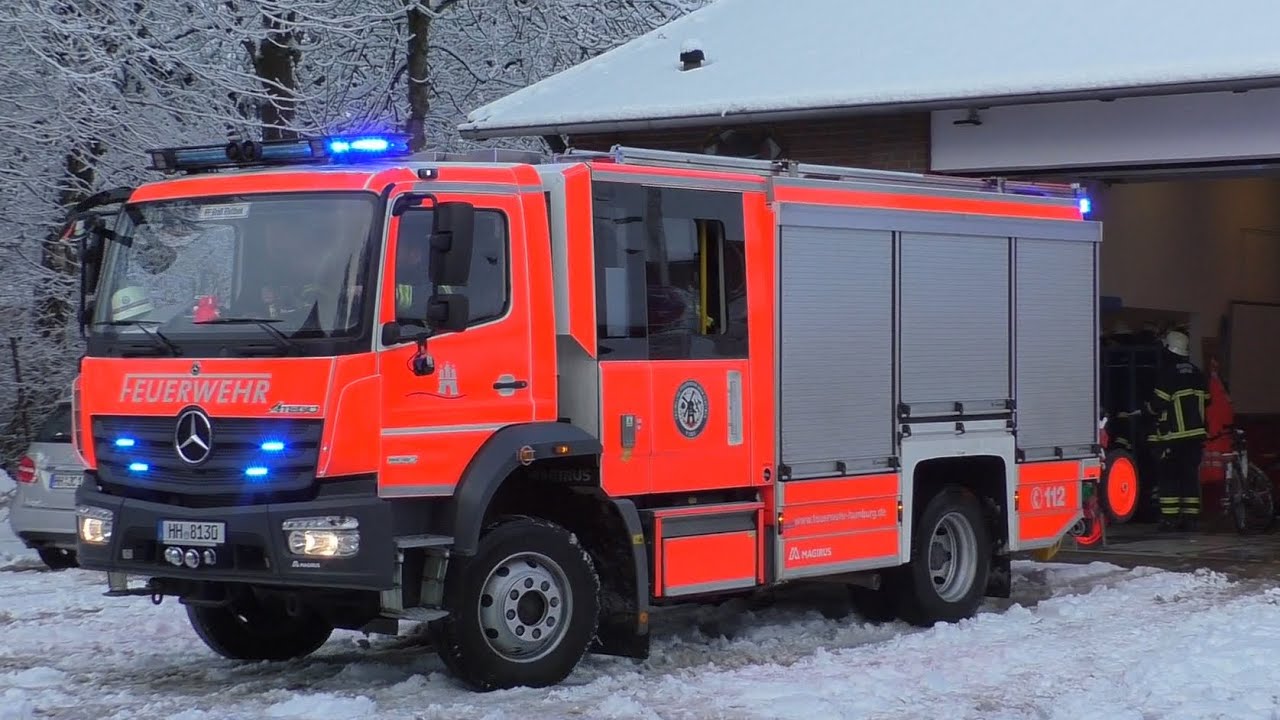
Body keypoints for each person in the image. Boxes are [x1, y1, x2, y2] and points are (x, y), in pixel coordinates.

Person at [1144, 329, 1210, 531]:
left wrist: (1146, 408)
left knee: (1169, 477)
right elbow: (1208, 400)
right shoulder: (1197, 372)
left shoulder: (1168, 373)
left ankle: (1170, 519)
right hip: (1196, 437)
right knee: (1189, 477)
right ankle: (1191, 518)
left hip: (1173, 437)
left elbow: (1158, 404)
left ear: (1169, 349)